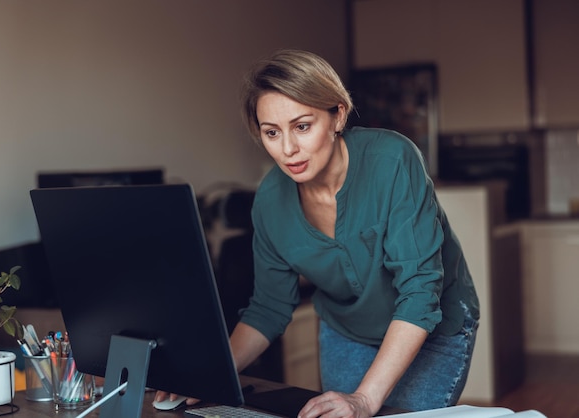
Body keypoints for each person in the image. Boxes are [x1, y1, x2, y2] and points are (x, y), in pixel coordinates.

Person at [156, 49, 479, 417]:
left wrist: (363, 398)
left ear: (337, 115)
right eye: (272, 133)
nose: (288, 149)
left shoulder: (393, 161)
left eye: (302, 126)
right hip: (348, 329)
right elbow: (269, 307)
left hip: (432, 327)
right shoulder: (269, 202)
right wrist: (207, 375)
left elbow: (421, 293)